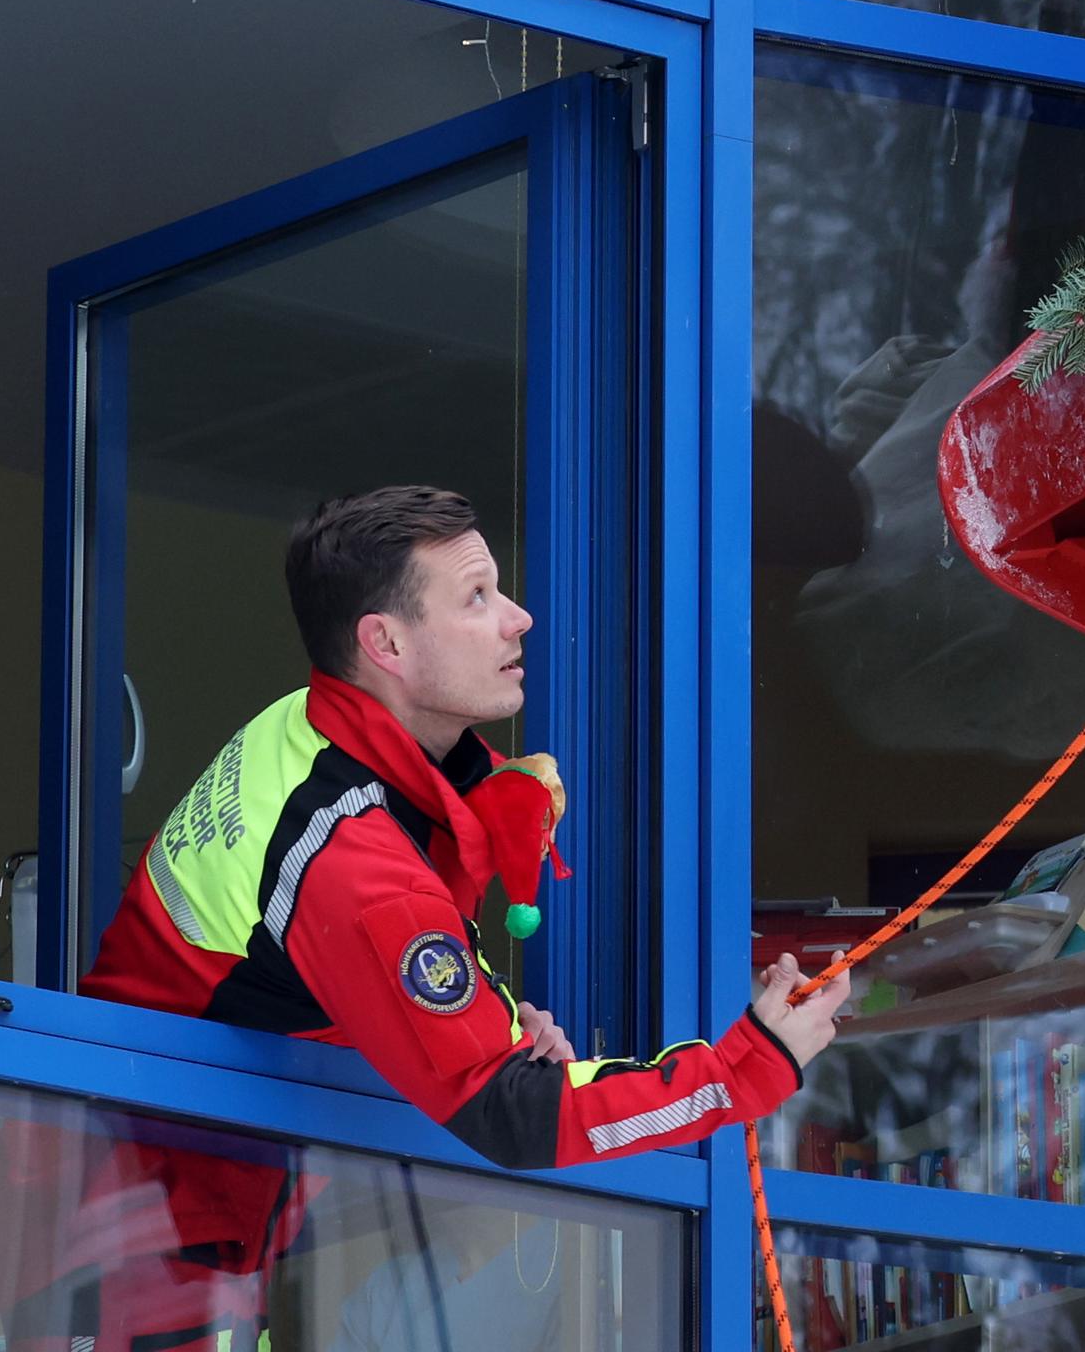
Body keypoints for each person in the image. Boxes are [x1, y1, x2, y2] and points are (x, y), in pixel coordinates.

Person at [83, 486, 847, 1167]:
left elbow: (321, 984)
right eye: (477, 597)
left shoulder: (313, 727)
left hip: (183, 1176)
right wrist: (754, 1063)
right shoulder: (352, 856)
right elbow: (513, 1117)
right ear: (385, 643)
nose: (520, 618)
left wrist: (489, 1022)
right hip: (152, 1219)